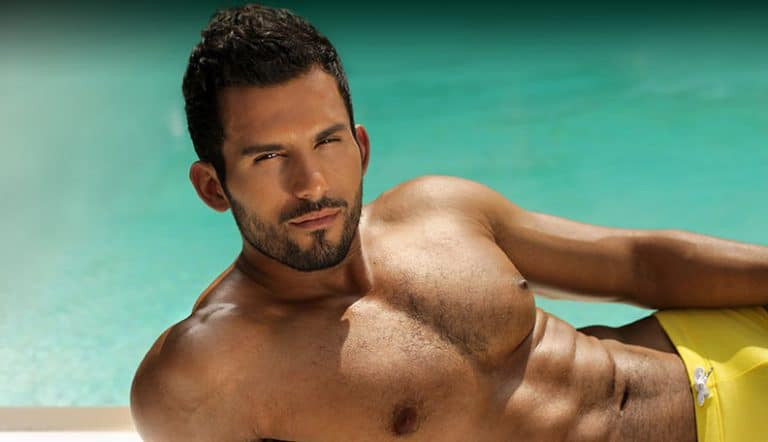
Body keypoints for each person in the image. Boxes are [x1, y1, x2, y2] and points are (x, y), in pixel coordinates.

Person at [129, 4, 768, 441]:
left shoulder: (436, 210)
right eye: (269, 157)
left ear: (361, 147)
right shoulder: (204, 373)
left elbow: (638, 265)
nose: (313, 185)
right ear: (213, 186)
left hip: (722, 349)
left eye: (327, 142)